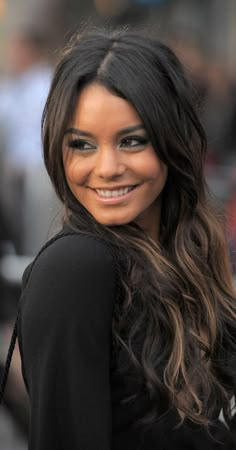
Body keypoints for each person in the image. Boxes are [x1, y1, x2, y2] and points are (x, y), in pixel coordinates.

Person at [1, 28, 236, 449]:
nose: (107, 167)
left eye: (131, 141)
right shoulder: (76, 268)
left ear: (172, 139)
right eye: (83, 144)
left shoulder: (191, 250)